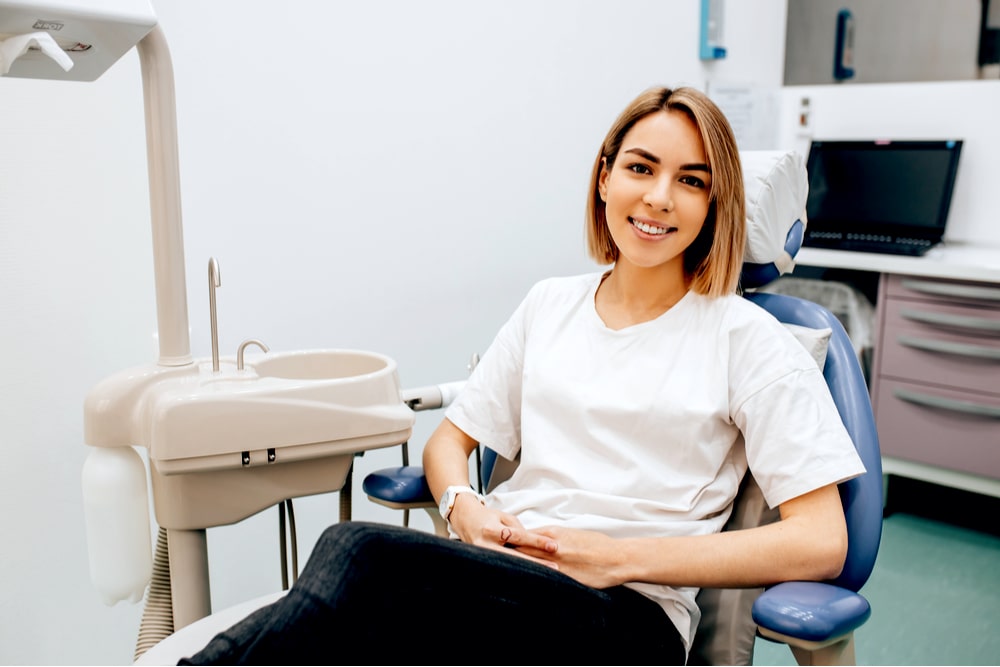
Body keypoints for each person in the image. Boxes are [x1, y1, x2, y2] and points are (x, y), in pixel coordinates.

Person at [180, 85, 865, 666]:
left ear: (715, 206)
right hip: (509, 577)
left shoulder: (749, 340)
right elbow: (449, 445)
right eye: (641, 167)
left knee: (355, 552)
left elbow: (821, 538)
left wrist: (623, 558)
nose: (659, 197)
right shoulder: (551, 305)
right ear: (604, 178)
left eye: (691, 181)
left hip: (626, 617)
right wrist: (464, 509)